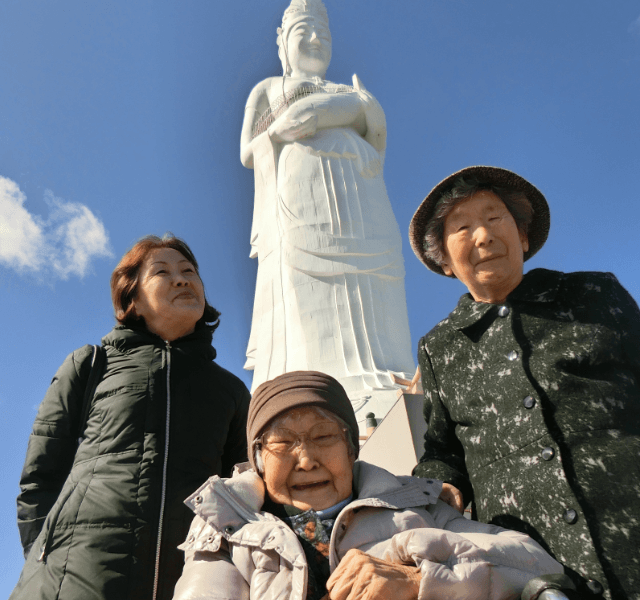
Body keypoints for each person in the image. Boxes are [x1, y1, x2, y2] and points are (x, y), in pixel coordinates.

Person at [408, 166, 640, 598]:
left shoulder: (593, 295)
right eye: (462, 227)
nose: (483, 236)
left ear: (524, 236)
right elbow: (443, 450)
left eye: (495, 218)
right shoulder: (440, 347)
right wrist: (436, 486)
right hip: (536, 571)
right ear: (444, 260)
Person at [172, 370, 563, 600]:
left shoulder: (419, 507)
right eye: (282, 442)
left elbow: (533, 563)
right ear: (257, 457)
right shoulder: (223, 530)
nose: (306, 460)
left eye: (324, 436)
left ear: (351, 447)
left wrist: (417, 576)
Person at [12, 235, 251, 600]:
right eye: (162, 272)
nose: (182, 279)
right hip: (73, 581)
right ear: (134, 299)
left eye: (189, 272)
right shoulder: (90, 364)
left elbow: (243, 494)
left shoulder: (232, 391)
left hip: (187, 582)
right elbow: (38, 481)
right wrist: (47, 560)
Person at [240, 0, 414, 394]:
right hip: (303, 191)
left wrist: (336, 110)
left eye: (325, 34)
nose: (316, 39)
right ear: (283, 42)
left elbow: (377, 134)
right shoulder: (269, 88)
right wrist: (289, 126)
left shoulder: (347, 89)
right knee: (308, 280)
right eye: (305, 32)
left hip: (362, 190)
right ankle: (317, 384)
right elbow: (248, 153)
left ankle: (389, 375)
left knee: (378, 282)